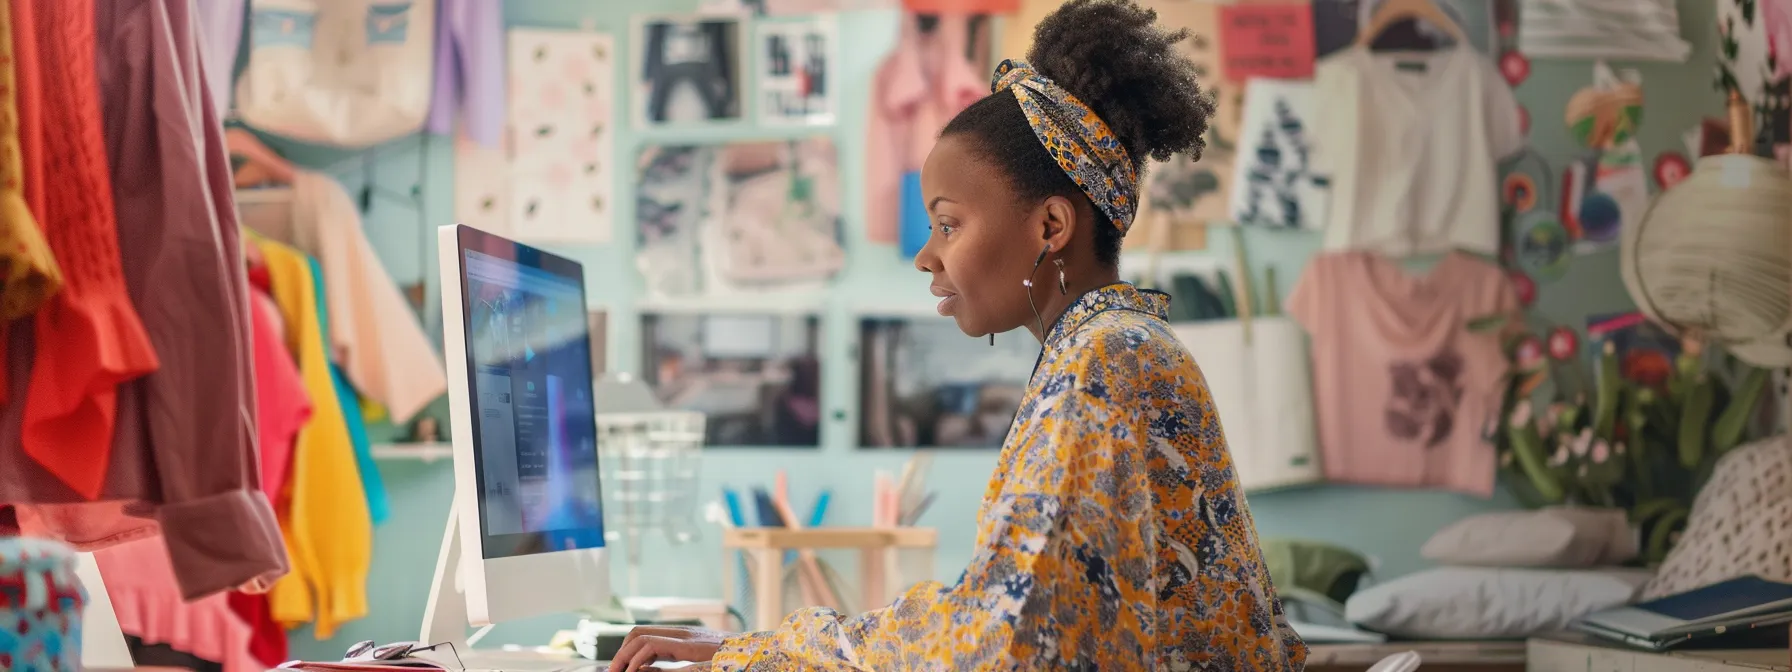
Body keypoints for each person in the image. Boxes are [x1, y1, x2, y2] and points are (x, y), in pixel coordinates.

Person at [610, 1, 1308, 669]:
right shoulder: (1120, 343)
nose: (926, 256)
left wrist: (755, 653)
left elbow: (995, 639)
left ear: (1050, 228)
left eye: (948, 225)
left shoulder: (1104, 360)